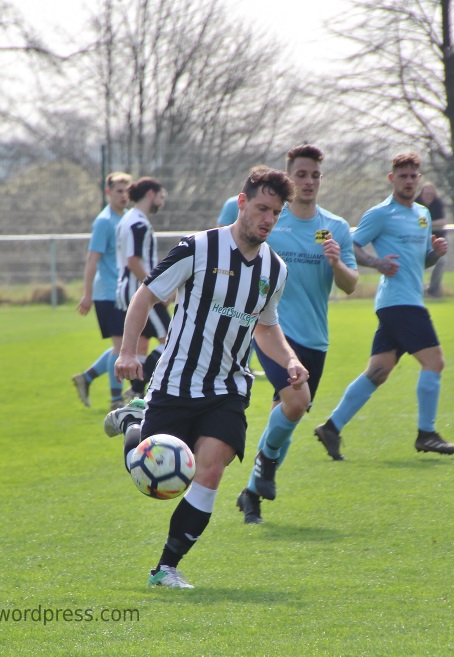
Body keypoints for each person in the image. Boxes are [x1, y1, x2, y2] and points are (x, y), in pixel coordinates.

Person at [113, 167, 307, 589]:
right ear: (242, 202)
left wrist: (290, 360)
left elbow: (266, 327)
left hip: (228, 387)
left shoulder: (274, 270)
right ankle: (133, 423)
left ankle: (166, 568)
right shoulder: (198, 248)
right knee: (149, 477)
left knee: (211, 470)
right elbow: (145, 296)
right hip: (175, 381)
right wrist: (128, 352)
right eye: (262, 208)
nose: (268, 219)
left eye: (276, 213)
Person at [235, 144, 358, 525]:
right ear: (289, 177)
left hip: (315, 338)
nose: (308, 182)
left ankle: (252, 493)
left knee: (288, 413)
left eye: (315, 175)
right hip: (272, 330)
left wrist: (336, 263)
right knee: (296, 401)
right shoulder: (271, 220)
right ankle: (265, 469)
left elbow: (351, 285)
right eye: (301, 174)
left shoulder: (334, 228)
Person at [313, 153, 454, 460]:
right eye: (402, 176)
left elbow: (420, 262)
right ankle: (427, 434)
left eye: (413, 176)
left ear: (419, 179)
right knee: (434, 362)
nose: (408, 181)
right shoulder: (381, 213)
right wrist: (376, 262)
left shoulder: (422, 215)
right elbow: (352, 244)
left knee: (378, 371)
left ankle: (331, 427)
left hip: (404, 301)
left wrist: (435, 254)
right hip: (399, 303)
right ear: (392, 179)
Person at [72, 172, 132, 410]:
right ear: (108, 193)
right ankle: (116, 399)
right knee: (121, 346)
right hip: (107, 292)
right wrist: (87, 294)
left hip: (124, 292)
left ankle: (86, 378)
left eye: (127, 191)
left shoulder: (126, 218)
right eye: (119, 191)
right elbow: (92, 259)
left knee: (124, 345)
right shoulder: (104, 222)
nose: (124, 196)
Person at [115, 177, 171, 398]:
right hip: (138, 291)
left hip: (126, 289)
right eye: (161, 196)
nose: (162, 201)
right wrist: (157, 290)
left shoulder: (127, 218)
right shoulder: (138, 223)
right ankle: (140, 387)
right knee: (172, 340)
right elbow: (134, 261)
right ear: (150, 194)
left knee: (142, 345)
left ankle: (136, 394)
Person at [415, 183, 448, 298]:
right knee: (416, 262)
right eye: (427, 193)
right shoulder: (416, 203)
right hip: (420, 239)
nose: (429, 196)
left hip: (436, 239)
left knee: (441, 261)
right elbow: (419, 223)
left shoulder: (437, 203)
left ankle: (433, 289)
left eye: (431, 194)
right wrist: (430, 224)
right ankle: (417, 290)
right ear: (421, 193)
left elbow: (442, 221)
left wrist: (428, 224)